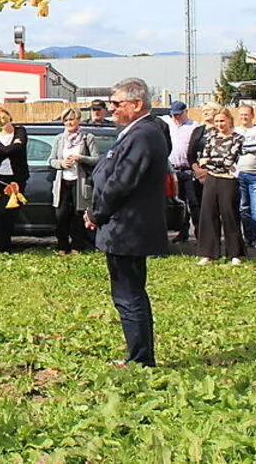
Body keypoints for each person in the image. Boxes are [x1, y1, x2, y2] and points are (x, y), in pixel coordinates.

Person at [84, 78, 169, 368]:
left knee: (129, 294)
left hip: (128, 228)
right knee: (129, 292)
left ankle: (140, 359)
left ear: (137, 105)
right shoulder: (137, 132)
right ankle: (139, 354)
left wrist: (97, 213)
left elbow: (122, 182)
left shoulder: (143, 134)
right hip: (125, 226)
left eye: (117, 104)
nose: (112, 109)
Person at [196, 108, 245, 266]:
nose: (220, 124)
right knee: (208, 214)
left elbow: (229, 161)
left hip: (228, 180)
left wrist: (211, 161)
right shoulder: (211, 137)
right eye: (217, 121)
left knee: (229, 215)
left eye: (222, 121)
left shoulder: (237, 138)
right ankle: (208, 253)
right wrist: (213, 161)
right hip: (211, 179)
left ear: (230, 120)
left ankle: (234, 253)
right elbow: (203, 158)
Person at [50, 106, 99, 255]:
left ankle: (77, 246)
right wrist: (61, 163)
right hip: (63, 182)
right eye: (65, 120)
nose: (68, 123)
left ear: (78, 120)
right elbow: (51, 160)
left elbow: (97, 159)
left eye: (71, 119)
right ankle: (62, 246)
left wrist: (80, 158)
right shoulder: (59, 139)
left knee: (78, 215)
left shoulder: (87, 138)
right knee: (61, 215)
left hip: (80, 182)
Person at [0, 108, 28, 252]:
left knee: (6, 213)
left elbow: (17, 148)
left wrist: (3, 150)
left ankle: (5, 245)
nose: (2, 120)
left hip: (15, 179)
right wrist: (11, 147)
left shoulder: (20, 131)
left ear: (10, 117)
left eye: (4, 116)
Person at [161, 101, 198, 243]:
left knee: (194, 204)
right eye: (173, 115)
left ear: (185, 112)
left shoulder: (194, 126)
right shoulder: (167, 124)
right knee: (179, 203)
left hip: (188, 170)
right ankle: (183, 232)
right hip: (172, 170)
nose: (176, 117)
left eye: (178, 114)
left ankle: (199, 233)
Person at [234, 104, 256, 249]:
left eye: (246, 114)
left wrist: (241, 147)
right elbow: (232, 147)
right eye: (241, 115)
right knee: (243, 207)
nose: (244, 117)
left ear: (252, 115)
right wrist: (240, 147)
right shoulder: (235, 130)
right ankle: (248, 237)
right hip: (239, 173)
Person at [187, 102, 221, 239]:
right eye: (204, 110)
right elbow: (190, 153)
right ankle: (201, 238)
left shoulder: (221, 130)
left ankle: (215, 239)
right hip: (198, 174)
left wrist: (208, 171)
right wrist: (196, 168)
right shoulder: (198, 130)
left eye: (209, 110)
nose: (206, 112)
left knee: (214, 209)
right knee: (197, 207)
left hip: (215, 174)